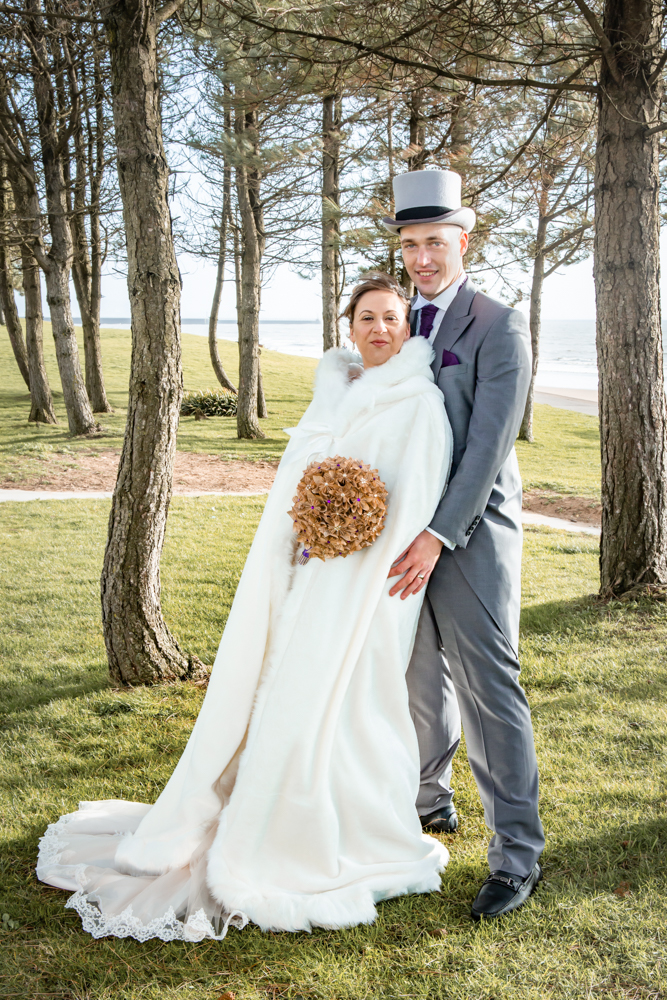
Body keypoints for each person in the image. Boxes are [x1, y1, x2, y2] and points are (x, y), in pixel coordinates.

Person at [36, 274, 454, 942]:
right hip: (300, 572)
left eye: (392, 318)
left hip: (365, 584)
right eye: (367, 317)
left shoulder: (419, 402)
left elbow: (412, 499)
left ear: (409, 329)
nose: (380, 328)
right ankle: (244, 806)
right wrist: (307, 535)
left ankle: (327, 827)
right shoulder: (333, 394)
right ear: (348, 327)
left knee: (344, 702)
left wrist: (350, 546)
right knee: (275, 690)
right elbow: (296, 480)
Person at [383, 169, 545, 920]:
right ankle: (428, 801)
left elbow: (487, 448)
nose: (422, 258)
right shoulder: (392, 320)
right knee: (417, 679)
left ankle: (516, 856)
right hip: (396, 539)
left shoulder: (497, 322)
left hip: (470, 538)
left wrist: (437, 536)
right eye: (410, 243)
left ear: (462, 241)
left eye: (434, 242)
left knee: (490, 692)